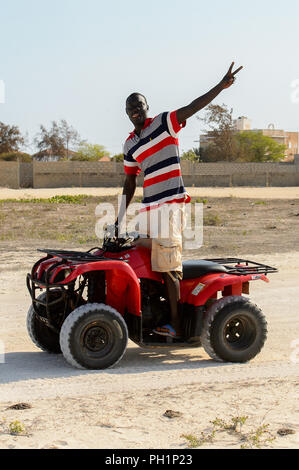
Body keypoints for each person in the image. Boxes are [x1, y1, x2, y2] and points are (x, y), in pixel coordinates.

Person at [116, 62, 243, 338]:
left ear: (147, 106)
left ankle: (175, 325)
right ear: (127, 114)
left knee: (170, 264)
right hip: (149, 208)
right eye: (130, 109)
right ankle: (153, 314)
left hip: (171, 205)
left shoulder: (164, 123)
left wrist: (220, 87)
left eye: (139, 106)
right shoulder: (129, 145)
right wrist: (118, 219)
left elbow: (193, 106)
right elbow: (129, 182)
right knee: (139, 258)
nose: (135, 111)